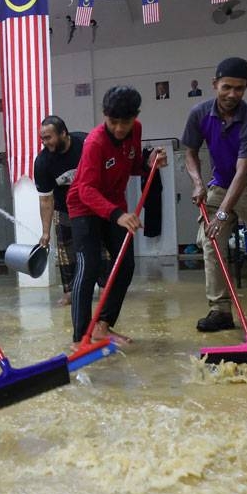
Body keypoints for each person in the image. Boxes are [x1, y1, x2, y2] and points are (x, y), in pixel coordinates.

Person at [182, 56, 247, 332]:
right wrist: (197, 182)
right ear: (215, 84)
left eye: (239, 88)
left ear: (246, 88)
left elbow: (244, 170)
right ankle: (220, 310)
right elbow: (190, 151)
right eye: (226, 87)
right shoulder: (200, 114)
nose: (232, 94)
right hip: (220, 184)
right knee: (210, 240)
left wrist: (224, 213)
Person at [66, 86, 166, 351]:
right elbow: (86, 189)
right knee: (88, 265)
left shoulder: (137, 129)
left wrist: (150, 164)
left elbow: (132, 165)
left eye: (126, 122)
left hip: (114, 205)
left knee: (126, 264)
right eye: (113, 122)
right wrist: (117, 215)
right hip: (84, 206)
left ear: (135, 117)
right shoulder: (95, 142)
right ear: (104, 116)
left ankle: (102, 326)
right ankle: (80, 338)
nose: (120, 129)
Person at [34, 116, 85, 306]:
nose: (45, 143)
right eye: (42, 139)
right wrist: (45, 232)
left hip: (92, 206)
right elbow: (46, 199)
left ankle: (105, 287)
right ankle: (70, 292)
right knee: (66, 251)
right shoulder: (43, 162)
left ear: (64, 133)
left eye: (49, 138)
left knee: (100, 247)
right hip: (64, 208)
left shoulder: (85, 145)